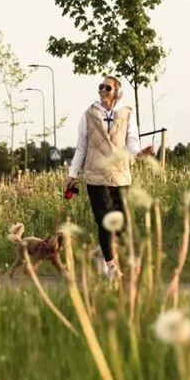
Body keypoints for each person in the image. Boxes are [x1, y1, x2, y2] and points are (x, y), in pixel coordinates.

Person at [65, 76, 154, 277]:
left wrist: (140, 154)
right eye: (101, 87)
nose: (103, 90)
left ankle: (101, 254)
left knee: (122, 224)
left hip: (120, 174)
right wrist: (72, 174)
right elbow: (81, 147)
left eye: (108, 87)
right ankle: (111, 266)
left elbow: (132, 142)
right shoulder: (88, 114)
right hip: (95, 175)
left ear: (117, 93)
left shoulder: (126, 114)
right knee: (105, 218)